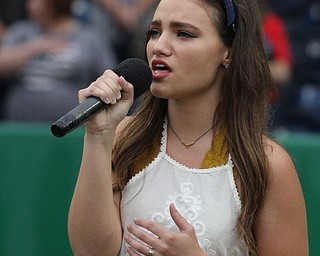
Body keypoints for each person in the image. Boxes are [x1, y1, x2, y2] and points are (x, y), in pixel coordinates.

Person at [68, 0, 308, 255]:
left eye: (184, 34)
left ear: (229, 52)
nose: (159, 46)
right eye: (154, 32)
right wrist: (98, 136)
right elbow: (90, 252)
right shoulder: (123, 136)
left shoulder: (268, 164)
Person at [0, 0, 116, 122]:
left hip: (71, 125)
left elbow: (108, 77)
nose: (30, 6)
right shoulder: (21, 32)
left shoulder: (89, 38)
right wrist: (35, 47)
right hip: (19, 125)